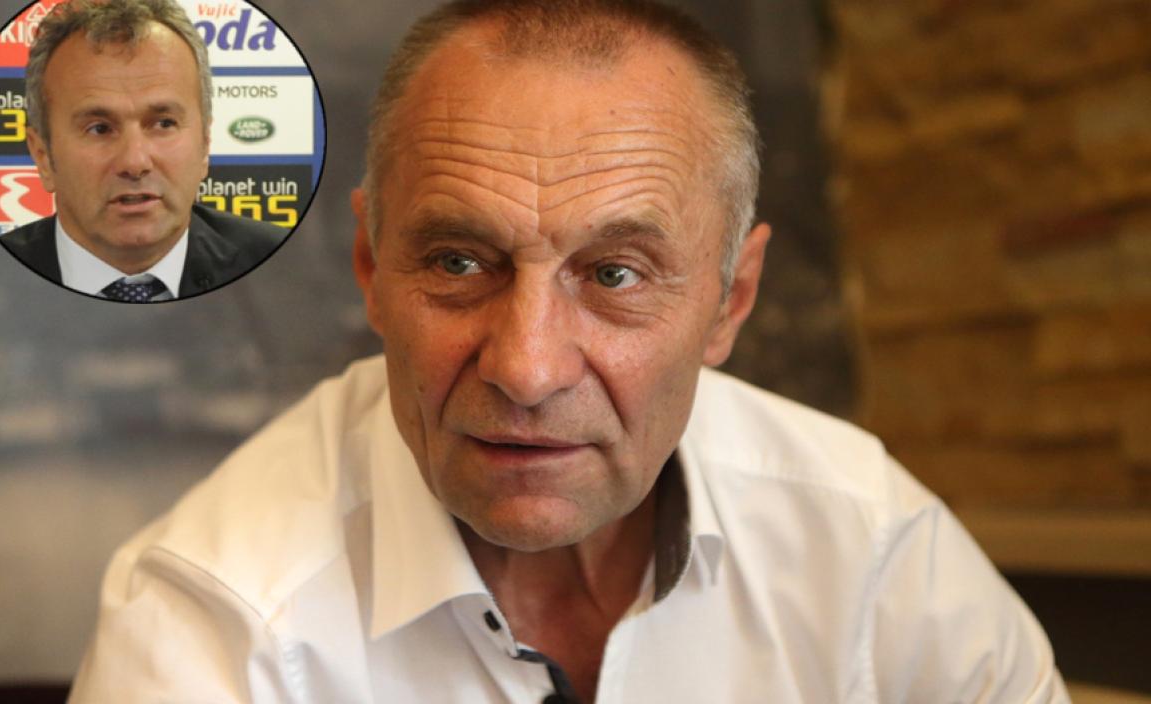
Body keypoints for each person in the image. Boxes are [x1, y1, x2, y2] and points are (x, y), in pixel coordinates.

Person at [71, 0, 1069, 701]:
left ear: (731, 300)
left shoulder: (870, 547)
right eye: (459, 261)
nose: (527, 366)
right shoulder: (213, 625)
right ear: (372, 268)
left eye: (616, 274)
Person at [1, 0, 282, 302]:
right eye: (99, 128)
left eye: (164, 123)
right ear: (43, 156)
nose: (135, 162)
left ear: (205, 144)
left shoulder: (283, 266)